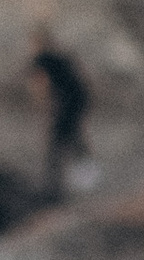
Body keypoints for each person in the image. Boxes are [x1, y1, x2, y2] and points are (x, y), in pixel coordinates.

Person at [27, 20, 94, 201]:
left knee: (57, 144)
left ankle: (54, 189)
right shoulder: (60, 58)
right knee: (73, 139)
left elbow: (43, 85)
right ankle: (88, 181)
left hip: (67, 104)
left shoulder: (43, 59)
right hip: (76, 102)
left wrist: (45, 107)